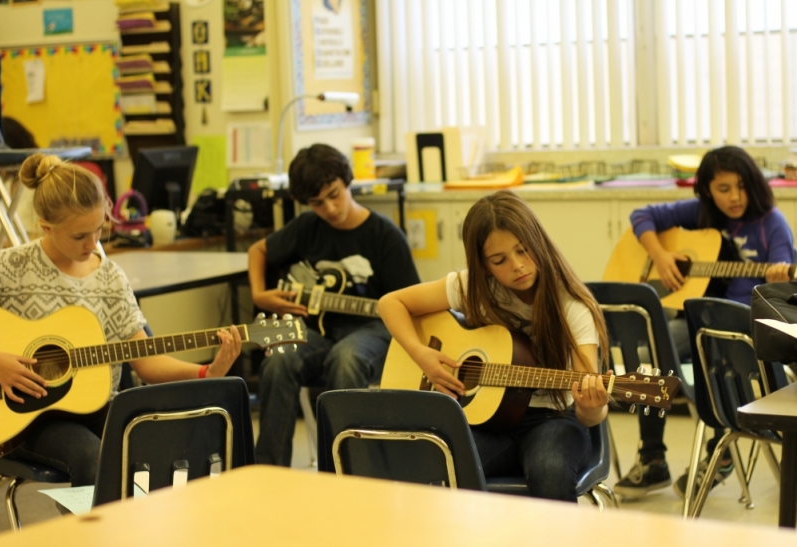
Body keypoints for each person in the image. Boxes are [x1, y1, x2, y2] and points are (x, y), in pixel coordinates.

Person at [0, 153, 242, 487]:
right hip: (29, 417)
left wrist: (206, 372)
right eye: (79, 236)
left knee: (164, 447)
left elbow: (147, 362)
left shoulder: (110, 278)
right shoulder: (10, 268)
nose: (93, 243)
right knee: (92, 459)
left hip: (100, 409)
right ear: (46, 226)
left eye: (99, 229)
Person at [378, 190, 611, 502]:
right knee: (427, 465)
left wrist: (591, 405)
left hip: (552, 420)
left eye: (523, 250)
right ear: (483, 266)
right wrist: (422, 355)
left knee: (549, 470)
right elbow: (391, 303)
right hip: (485, 422)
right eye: (499, 260)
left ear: (538, 242)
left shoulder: (572, 307)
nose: (517, 266)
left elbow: (590, 416)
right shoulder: (474, 287)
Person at [614, 145, 793, 500]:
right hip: (698, 320)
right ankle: (652, 459)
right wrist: (662, 256)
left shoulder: (771, 223)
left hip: (745, 327)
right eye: (723, 189)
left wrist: (777, 275)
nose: (735, 197)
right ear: (707, 190)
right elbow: (642, 216)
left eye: (741, 186)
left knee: (718, 357)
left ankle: (720, 449)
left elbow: (784, 292)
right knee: (651, 353)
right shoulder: (700, 214)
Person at [248, 143, 420, 466]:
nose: (329, 208)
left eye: (334, 194)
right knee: (278, 361)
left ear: (347, 181)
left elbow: (410, 304)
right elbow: (258, 250)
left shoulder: (385, 236)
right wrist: (260, 295)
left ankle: (344, 470)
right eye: (317, 202)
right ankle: (268, 474)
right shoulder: (306, 229)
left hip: (374, 330)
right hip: (319, 330)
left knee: (347, 359)